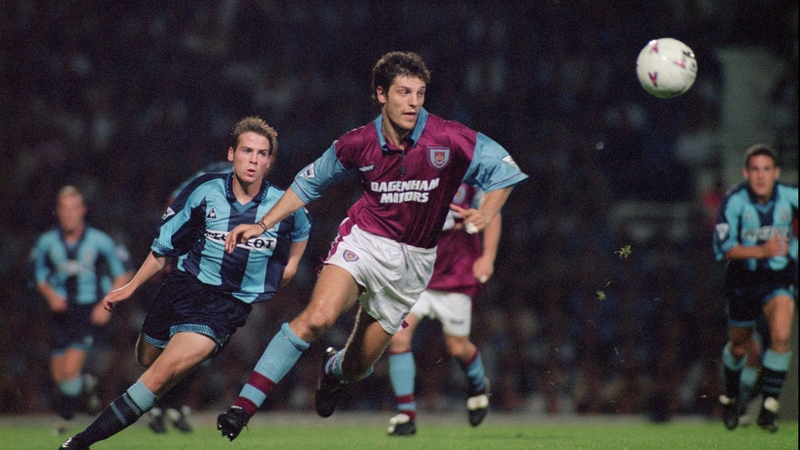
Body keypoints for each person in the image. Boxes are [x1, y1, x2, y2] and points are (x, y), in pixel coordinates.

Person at [216, 51, 527, 441]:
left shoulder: (448, 137)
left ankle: (333, 373)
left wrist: (485, 212)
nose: (414, 102)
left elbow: (505, 171)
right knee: (318, 318)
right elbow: (307, 184)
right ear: (381, 94)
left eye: (420, 93)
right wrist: (261, 223)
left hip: (414, 265)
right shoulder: (358, 142)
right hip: (364, 242)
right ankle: (242, 409)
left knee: (357, 368)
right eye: (403, 92)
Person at [58, 116, 311, 450]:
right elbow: (165, 247)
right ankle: (160, 402)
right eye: (247, 151)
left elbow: (303, 227)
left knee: (159, 374)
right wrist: (131, 287)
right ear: (232, 153)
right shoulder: (203, 191)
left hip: (226, 307)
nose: (254, 159)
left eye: (262, 153)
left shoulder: (284, 204)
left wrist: (292, 263)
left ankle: (80, 442)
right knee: (147, 360)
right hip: (183, 287)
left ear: (269, 161)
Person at [386, 183, 501, 436]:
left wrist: (488, 256)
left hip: (455, 278)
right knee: (398, 337)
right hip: (417, 277)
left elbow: (492, 212)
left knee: (458, 347)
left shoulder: (471, 172)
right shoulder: (416, 168)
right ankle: (406, 415)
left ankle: (478, 384)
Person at [30, 185, 134, 433]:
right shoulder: (46, 243)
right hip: (60, 311)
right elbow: (37, 275)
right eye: (64, 209)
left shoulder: (99, 241)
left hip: (87, 310)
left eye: (74, 208)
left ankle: (65, 422)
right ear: (57, 212)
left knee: (69, 370)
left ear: (83, 211)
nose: (69, 214)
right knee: (59, 376)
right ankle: (85, 387)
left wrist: (106, 304)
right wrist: (51, 296)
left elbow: (124, 272)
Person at [713, 144, 797, 433]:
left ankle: (769, 409)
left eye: (766, 170)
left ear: (776, 172)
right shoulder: (734, 201)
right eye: (755, 170)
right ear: (746, 173)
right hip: (742, 281)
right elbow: (723, 248)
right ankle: (733, 397)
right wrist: (762, 251)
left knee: (782, 335)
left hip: (778, 279)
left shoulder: (789, 197)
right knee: (740, 347)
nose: (761, 176)